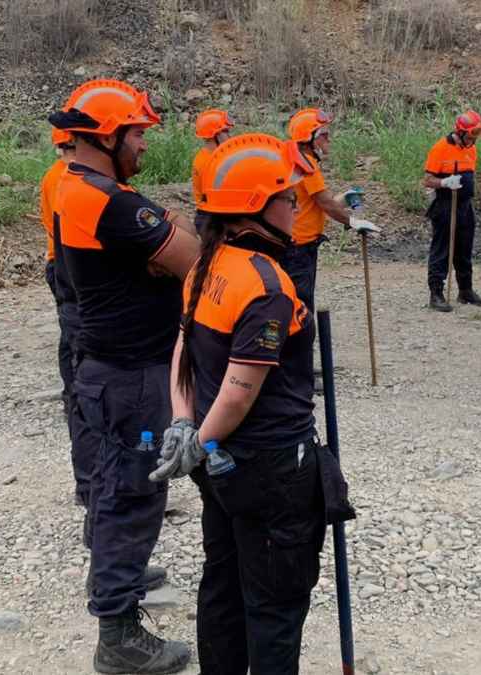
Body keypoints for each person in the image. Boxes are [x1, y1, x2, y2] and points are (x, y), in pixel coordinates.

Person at [149, 133, 331, 674]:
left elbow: (182, 347)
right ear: (259, 206)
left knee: (224, 583)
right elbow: (241, 387)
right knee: (274, 606)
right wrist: (199, 437)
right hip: (270, 468)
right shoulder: (268, 286)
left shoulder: (208, 263)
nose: (296, 205)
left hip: (221, 466)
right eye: (287, 197)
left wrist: (186, 426)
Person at [49, 78, 200, 674]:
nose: (143, 144)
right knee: (132, 496)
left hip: (108, 367)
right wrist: (172, 232)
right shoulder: (108, 201)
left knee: (115, 488)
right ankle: (118, 633)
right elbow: (190, 256)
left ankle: (121, 585)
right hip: (132, 375)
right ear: (106, 136)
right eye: (136, 133)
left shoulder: (78, 187)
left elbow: (171, 244)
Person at [283, 107, 379, 312]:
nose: (329, 139)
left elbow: (317, 202)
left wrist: (343, 200)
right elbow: (325, 203)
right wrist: (352, 221)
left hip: (297, 243)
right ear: (310, 138)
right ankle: (301, 343)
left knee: (296, 299)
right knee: (301, 302)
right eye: (324, 135)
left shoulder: (299, 161)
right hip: (299, 247)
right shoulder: (306, 164)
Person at [39, 127, 84, 504]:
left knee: (71, 345)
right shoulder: (65, 178)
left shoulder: (56, 176)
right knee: (76, 350)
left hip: (62, 266)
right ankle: (88, 484)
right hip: (70, 269)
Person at [424, 110, 481, 312]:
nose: (474, 138)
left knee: (464, 250)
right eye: (472, 134)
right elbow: (427, 180)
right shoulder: (440, 148)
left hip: (465, 206)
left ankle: (465, 291)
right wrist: (444, 182)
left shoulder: (471, 149)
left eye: (477, 134)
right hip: (445, 205)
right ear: (460, 132)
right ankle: (436, 294)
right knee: (441, 250)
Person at [191, 109, 234, 233]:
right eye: (225, 131)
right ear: (214, 135)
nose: (230, 136)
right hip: (211, 219)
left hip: (212, 215)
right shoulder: (208, 162)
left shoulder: (214, 156)